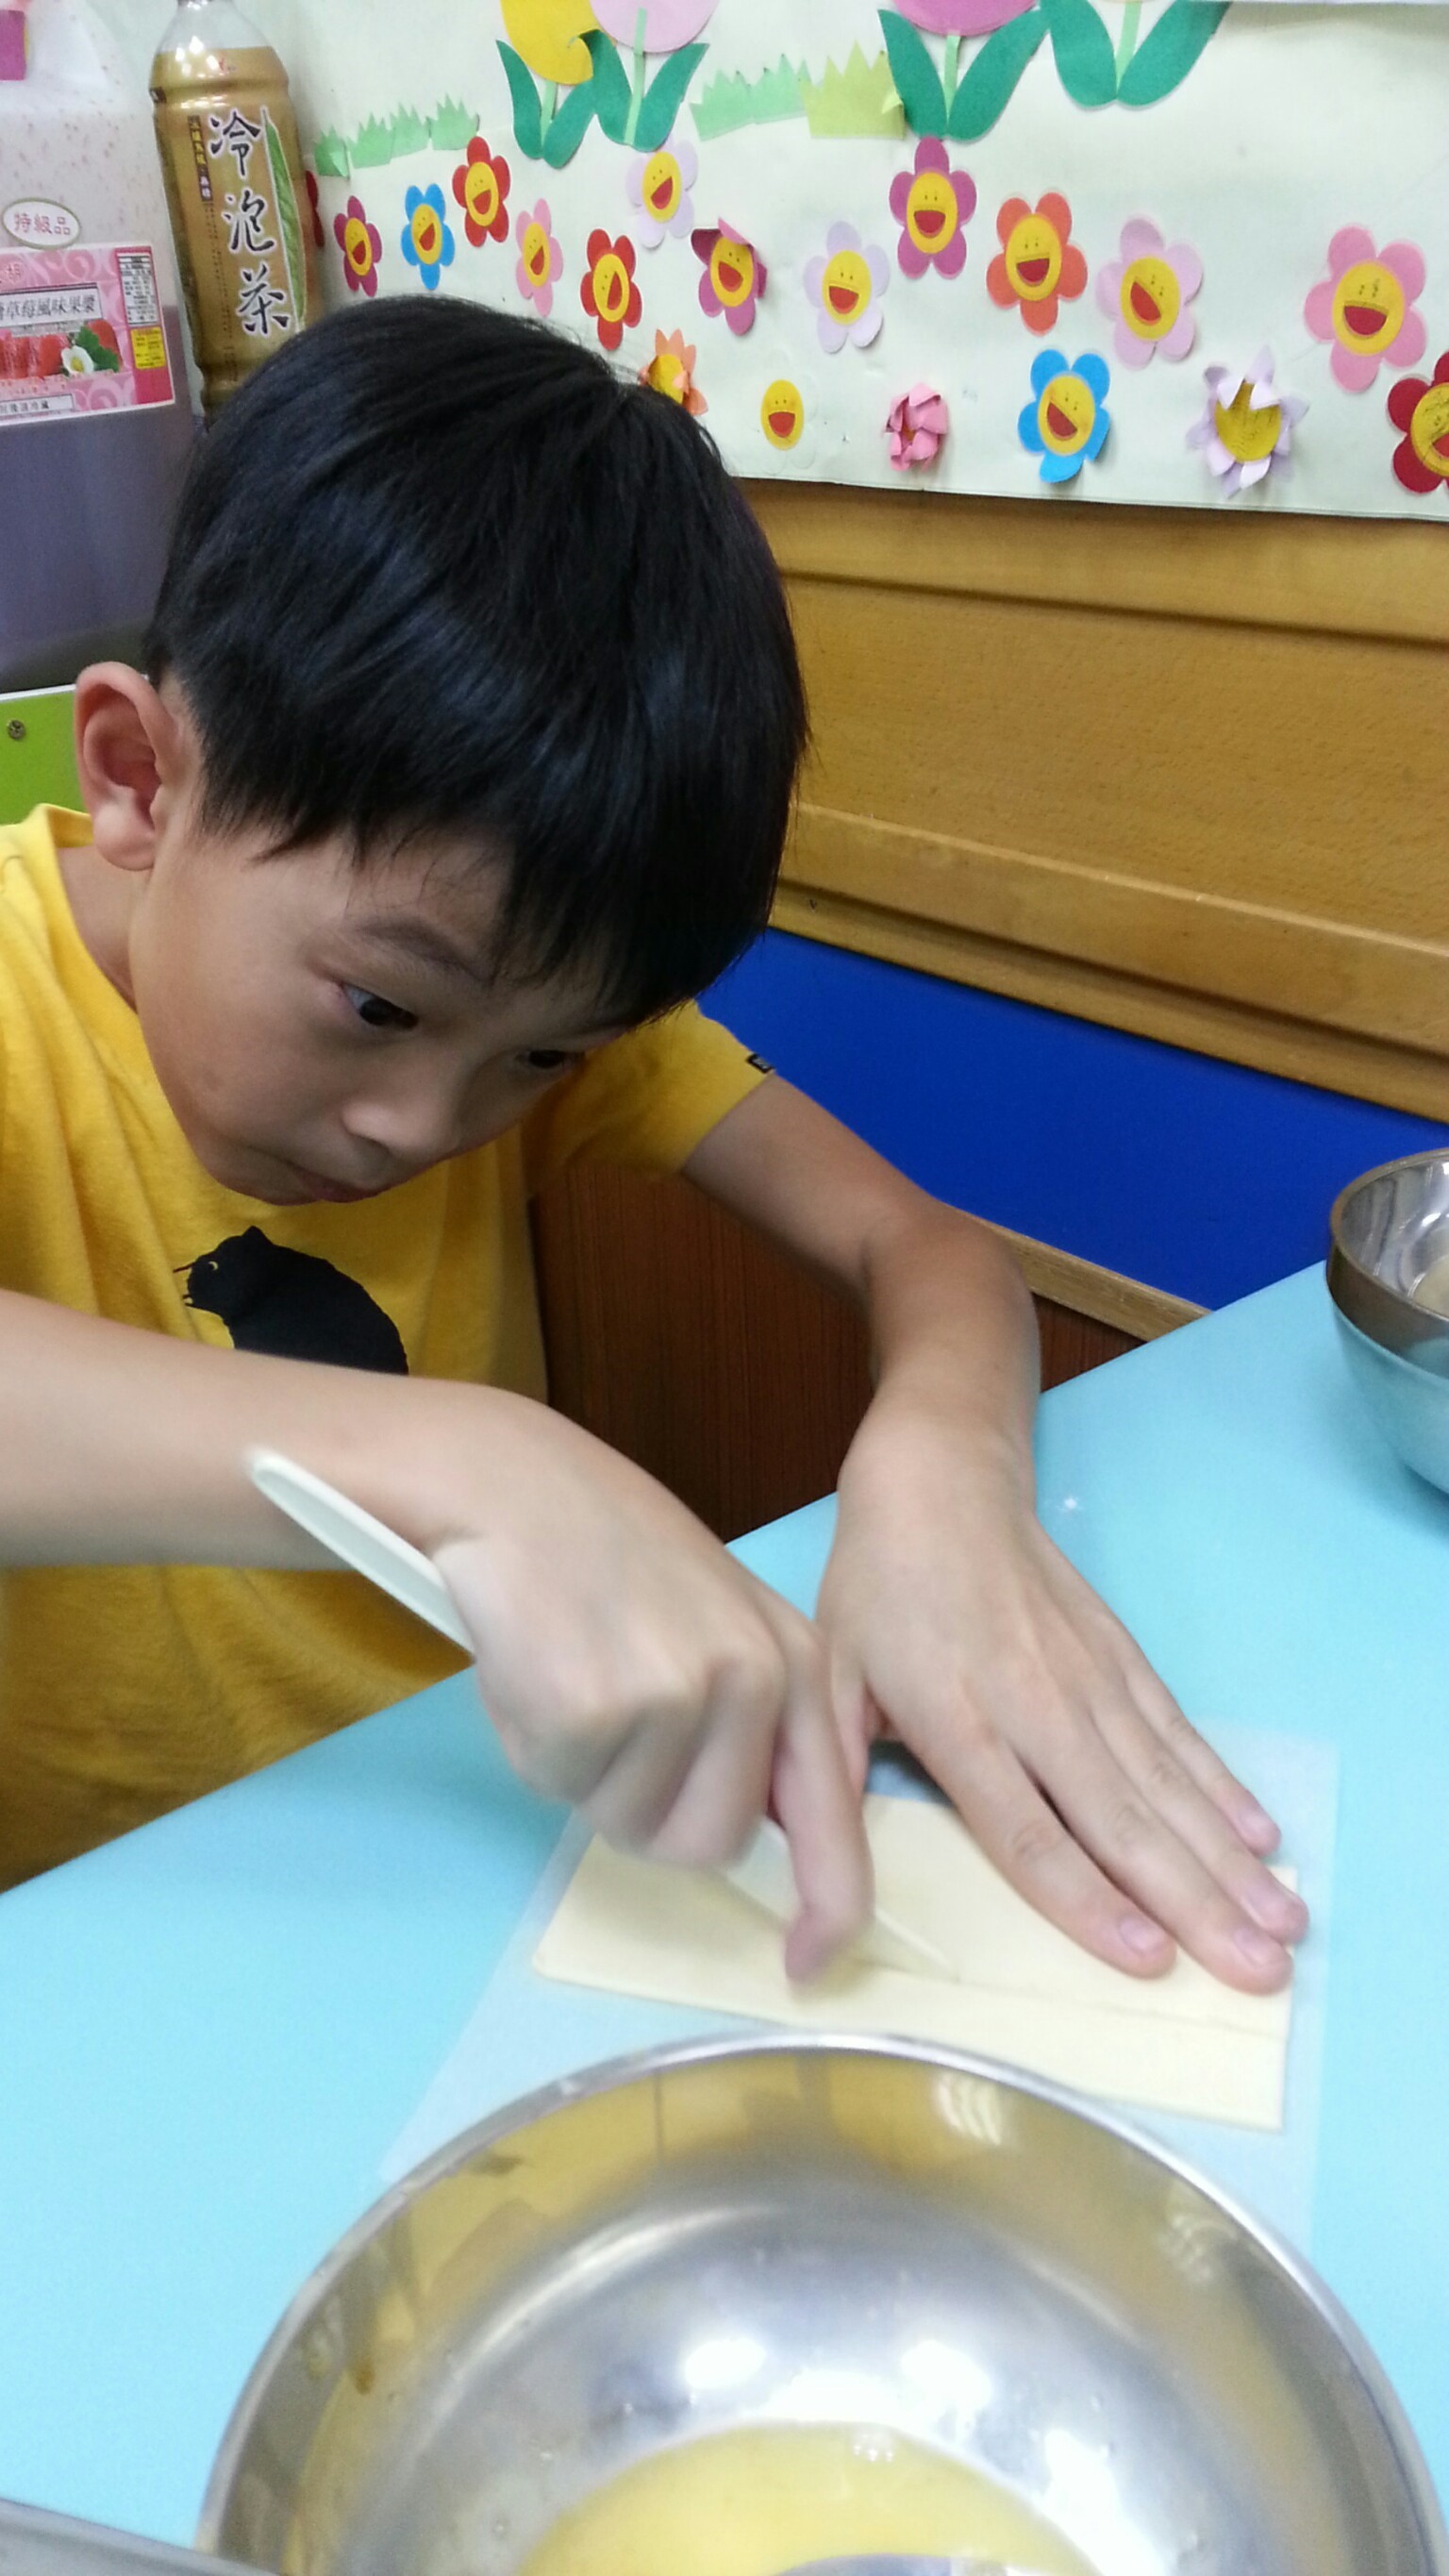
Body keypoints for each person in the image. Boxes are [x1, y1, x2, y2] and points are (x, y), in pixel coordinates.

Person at [0, 297, 1306, 1991]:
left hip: (503, 1884)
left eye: (545, 1055)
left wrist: (940, 1471)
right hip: (117, 1958)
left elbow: (923, 1248)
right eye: (379, 1006)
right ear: (139, 777)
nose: (427, 1122)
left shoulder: (509, 1000)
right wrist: (472, 1461)